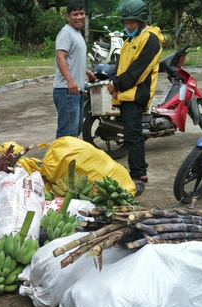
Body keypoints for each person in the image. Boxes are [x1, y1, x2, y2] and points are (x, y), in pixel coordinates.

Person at [106, 0, 163, 196]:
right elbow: (120, 66)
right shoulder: (130, 40)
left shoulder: (151, 40)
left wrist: (117, 84)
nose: (128, 26)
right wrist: (113, 82)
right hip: (126, 94)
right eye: (125, 22)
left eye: (132, 22)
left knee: (133, 136)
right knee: (131, 135)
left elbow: (138, 71)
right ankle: (141, 171)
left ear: (142, 20)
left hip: (136, 95)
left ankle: (138, 176)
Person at [53, 0, 97, 139]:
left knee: (75, 130)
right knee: (67, 134)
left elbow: (73, 59)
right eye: (75, 14)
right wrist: (70, 80)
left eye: (82, 13)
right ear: (68, 16)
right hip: (66, 90)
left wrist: (87, 72)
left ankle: (70, 160)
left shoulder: (77, 33)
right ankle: (60, 160)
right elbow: (60, 57)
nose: (79, 17)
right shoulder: (66, 33)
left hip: (75, 89)